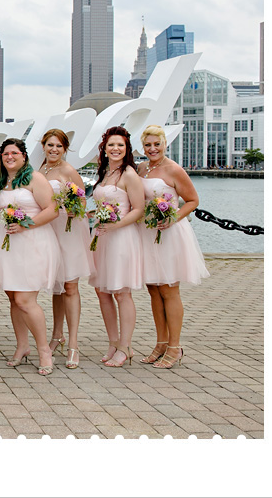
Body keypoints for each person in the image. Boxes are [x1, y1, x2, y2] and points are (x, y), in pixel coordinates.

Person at [136, 124, 209, 368]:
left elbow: (192, 200)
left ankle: (175, 347)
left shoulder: (174, 169)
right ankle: (161, 343)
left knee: (169, 289)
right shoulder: (142, 169)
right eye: (148, 145)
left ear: (165, 144)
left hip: (169, 233)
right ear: (143, 147)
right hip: (148, 232)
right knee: (153, 289)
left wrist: (171, 218)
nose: (152, 148)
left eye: (157, 144)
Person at [0, 138, 59, 376]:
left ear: (23, 156)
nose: (10, 157)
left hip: (32, 244)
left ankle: (44, 350)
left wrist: (25, 225)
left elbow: (53, 209)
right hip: (8, 246)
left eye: (14, 153)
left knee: (25, 300)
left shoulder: (35, 178)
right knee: (13, 297)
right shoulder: (0, 181)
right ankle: (22, 346)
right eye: (6, 154)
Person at [89, 126, 145, 368]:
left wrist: (116, 225)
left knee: (122, 292)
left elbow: (139, 210)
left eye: (120, 145)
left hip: (121, 237)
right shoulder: (104, 173)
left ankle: (126, 346)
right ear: (105, 148)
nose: (115, 149)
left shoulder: (129, 174)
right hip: (102, 237)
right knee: (102, 291)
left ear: (127, 148)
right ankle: (112, 342)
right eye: (111, 145)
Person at [39, 128, 93, 369]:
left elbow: (82, 200)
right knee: (56, 287)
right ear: (43, 146)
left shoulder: (68, 170)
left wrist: (74, 209)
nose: (53, 150)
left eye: (58, 146)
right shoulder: (40, 170)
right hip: (49, 231)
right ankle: (56, 335)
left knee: (70, 286)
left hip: (69, 230)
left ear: (65, 148)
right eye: (50, 145)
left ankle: (73, 344)